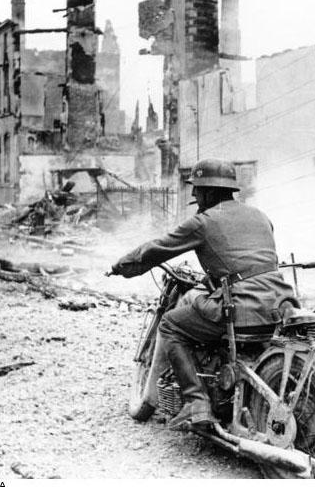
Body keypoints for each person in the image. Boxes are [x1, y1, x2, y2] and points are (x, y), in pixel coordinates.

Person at [111, 158, 297, 429]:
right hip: (281, 303)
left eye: (197, 190)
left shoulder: (203, 222)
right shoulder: (260, 215)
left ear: (210, 191)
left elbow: (156, 249)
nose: (195, 196)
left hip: (242, 307)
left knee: (172, 325)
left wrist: (122, 266)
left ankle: (196, 403)